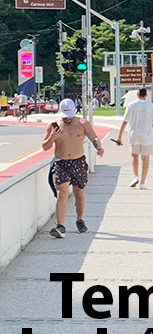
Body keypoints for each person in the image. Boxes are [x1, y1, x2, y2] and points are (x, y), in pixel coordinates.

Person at [42, 98, 104, 238]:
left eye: (69, 115)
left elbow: (94, 137)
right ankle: (60, 226)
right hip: (61, 163)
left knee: (79, 192)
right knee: (61, 194)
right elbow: (45, 147)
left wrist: (98, 147)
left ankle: (80, 220)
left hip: (78, 162)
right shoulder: (54, 126)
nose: (67, 118)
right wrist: (52, 137)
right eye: (65, 115)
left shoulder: (82, 123)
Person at [114, 86, 153, 188]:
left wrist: (119, 136)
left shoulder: (131, 105)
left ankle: (135, 176)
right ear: (146, 95)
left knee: (134, 155)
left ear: (137, 95)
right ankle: (142, 182)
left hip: (134, 134)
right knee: (145, 158)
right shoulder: (151, 106)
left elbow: (125, 121)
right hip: (147, 135)